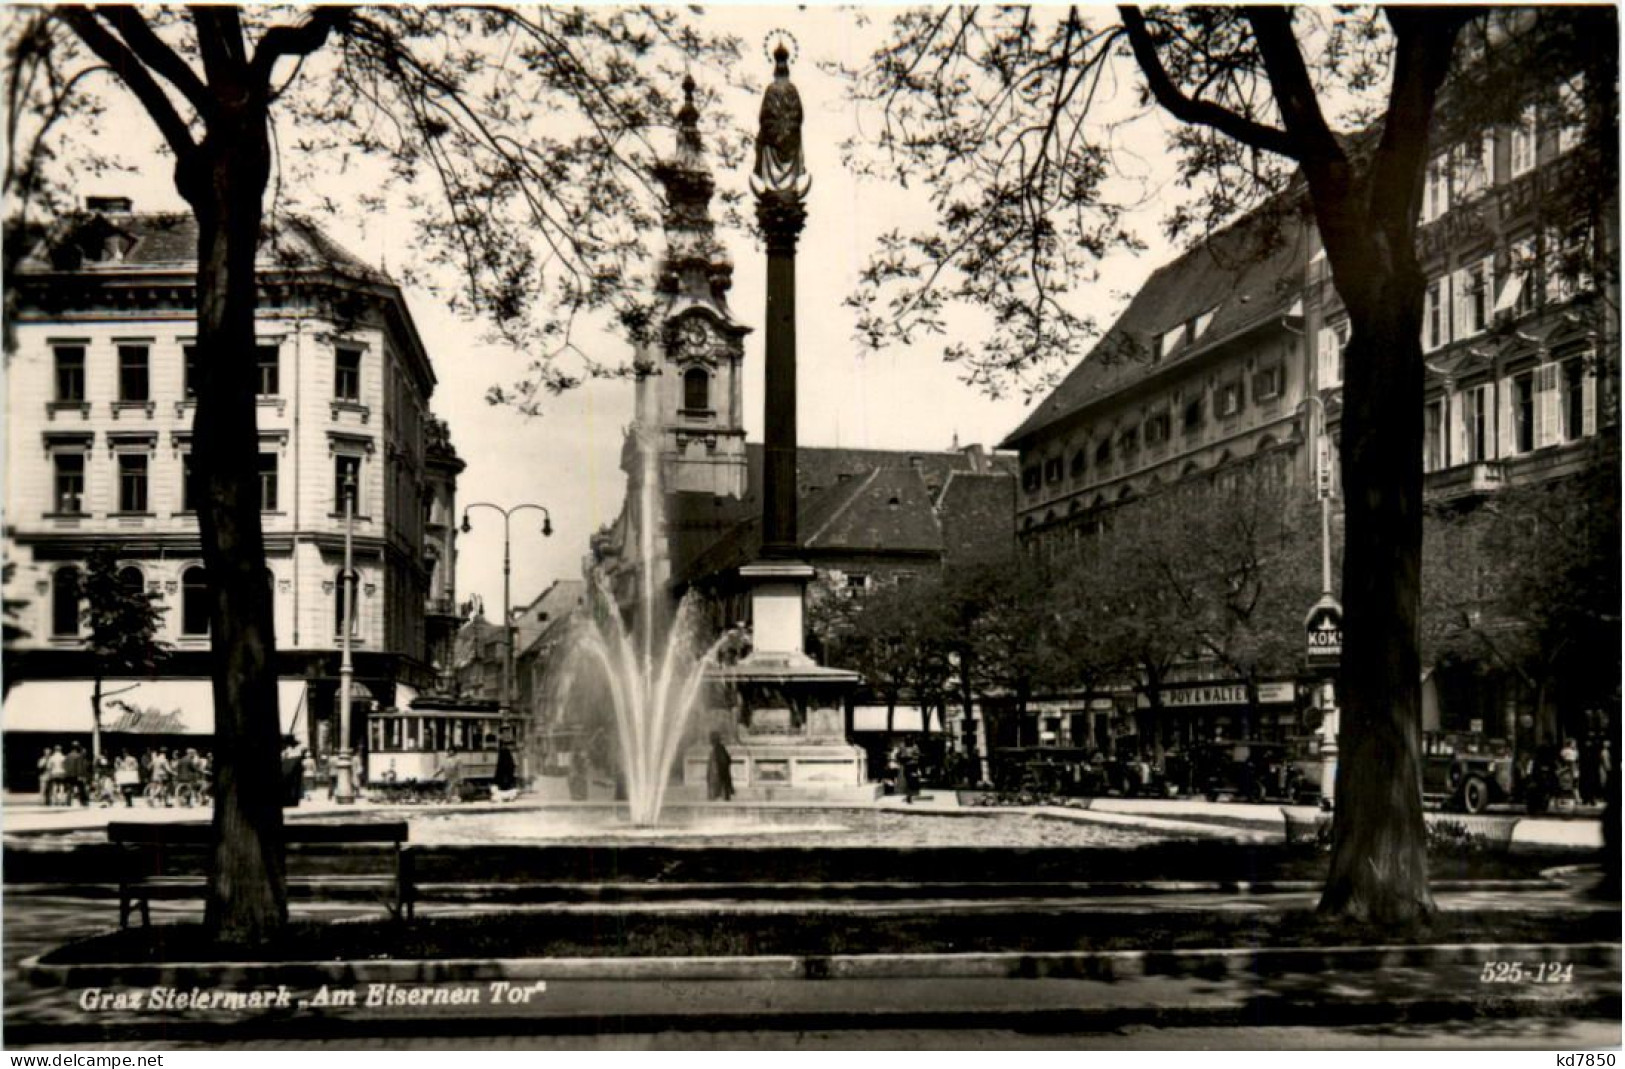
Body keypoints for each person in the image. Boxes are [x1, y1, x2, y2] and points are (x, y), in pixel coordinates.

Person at [706, 731, 735, 802]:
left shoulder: (718, 749)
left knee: (717, 796)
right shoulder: (718, 749)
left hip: (718, 778)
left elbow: (725, 762)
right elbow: (728, 760)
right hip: (718, 778)